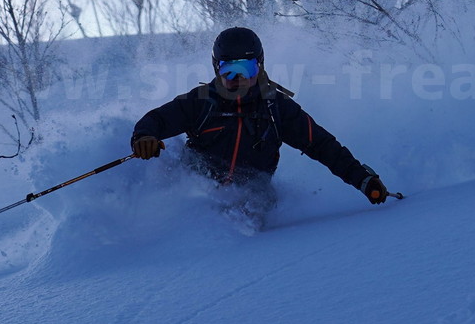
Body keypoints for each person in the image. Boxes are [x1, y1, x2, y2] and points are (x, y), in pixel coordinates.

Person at [130, 27, 389, 226]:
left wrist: (363, 180)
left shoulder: (276, 109)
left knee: (252, 214)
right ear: (216, 68)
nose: (238, 78)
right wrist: (144, 136)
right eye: (228, 70)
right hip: (197, 198)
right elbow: (157, 120)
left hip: (253, 203)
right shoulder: (201, 102)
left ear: (260, 65)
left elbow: (322, 146)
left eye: (246, 67)